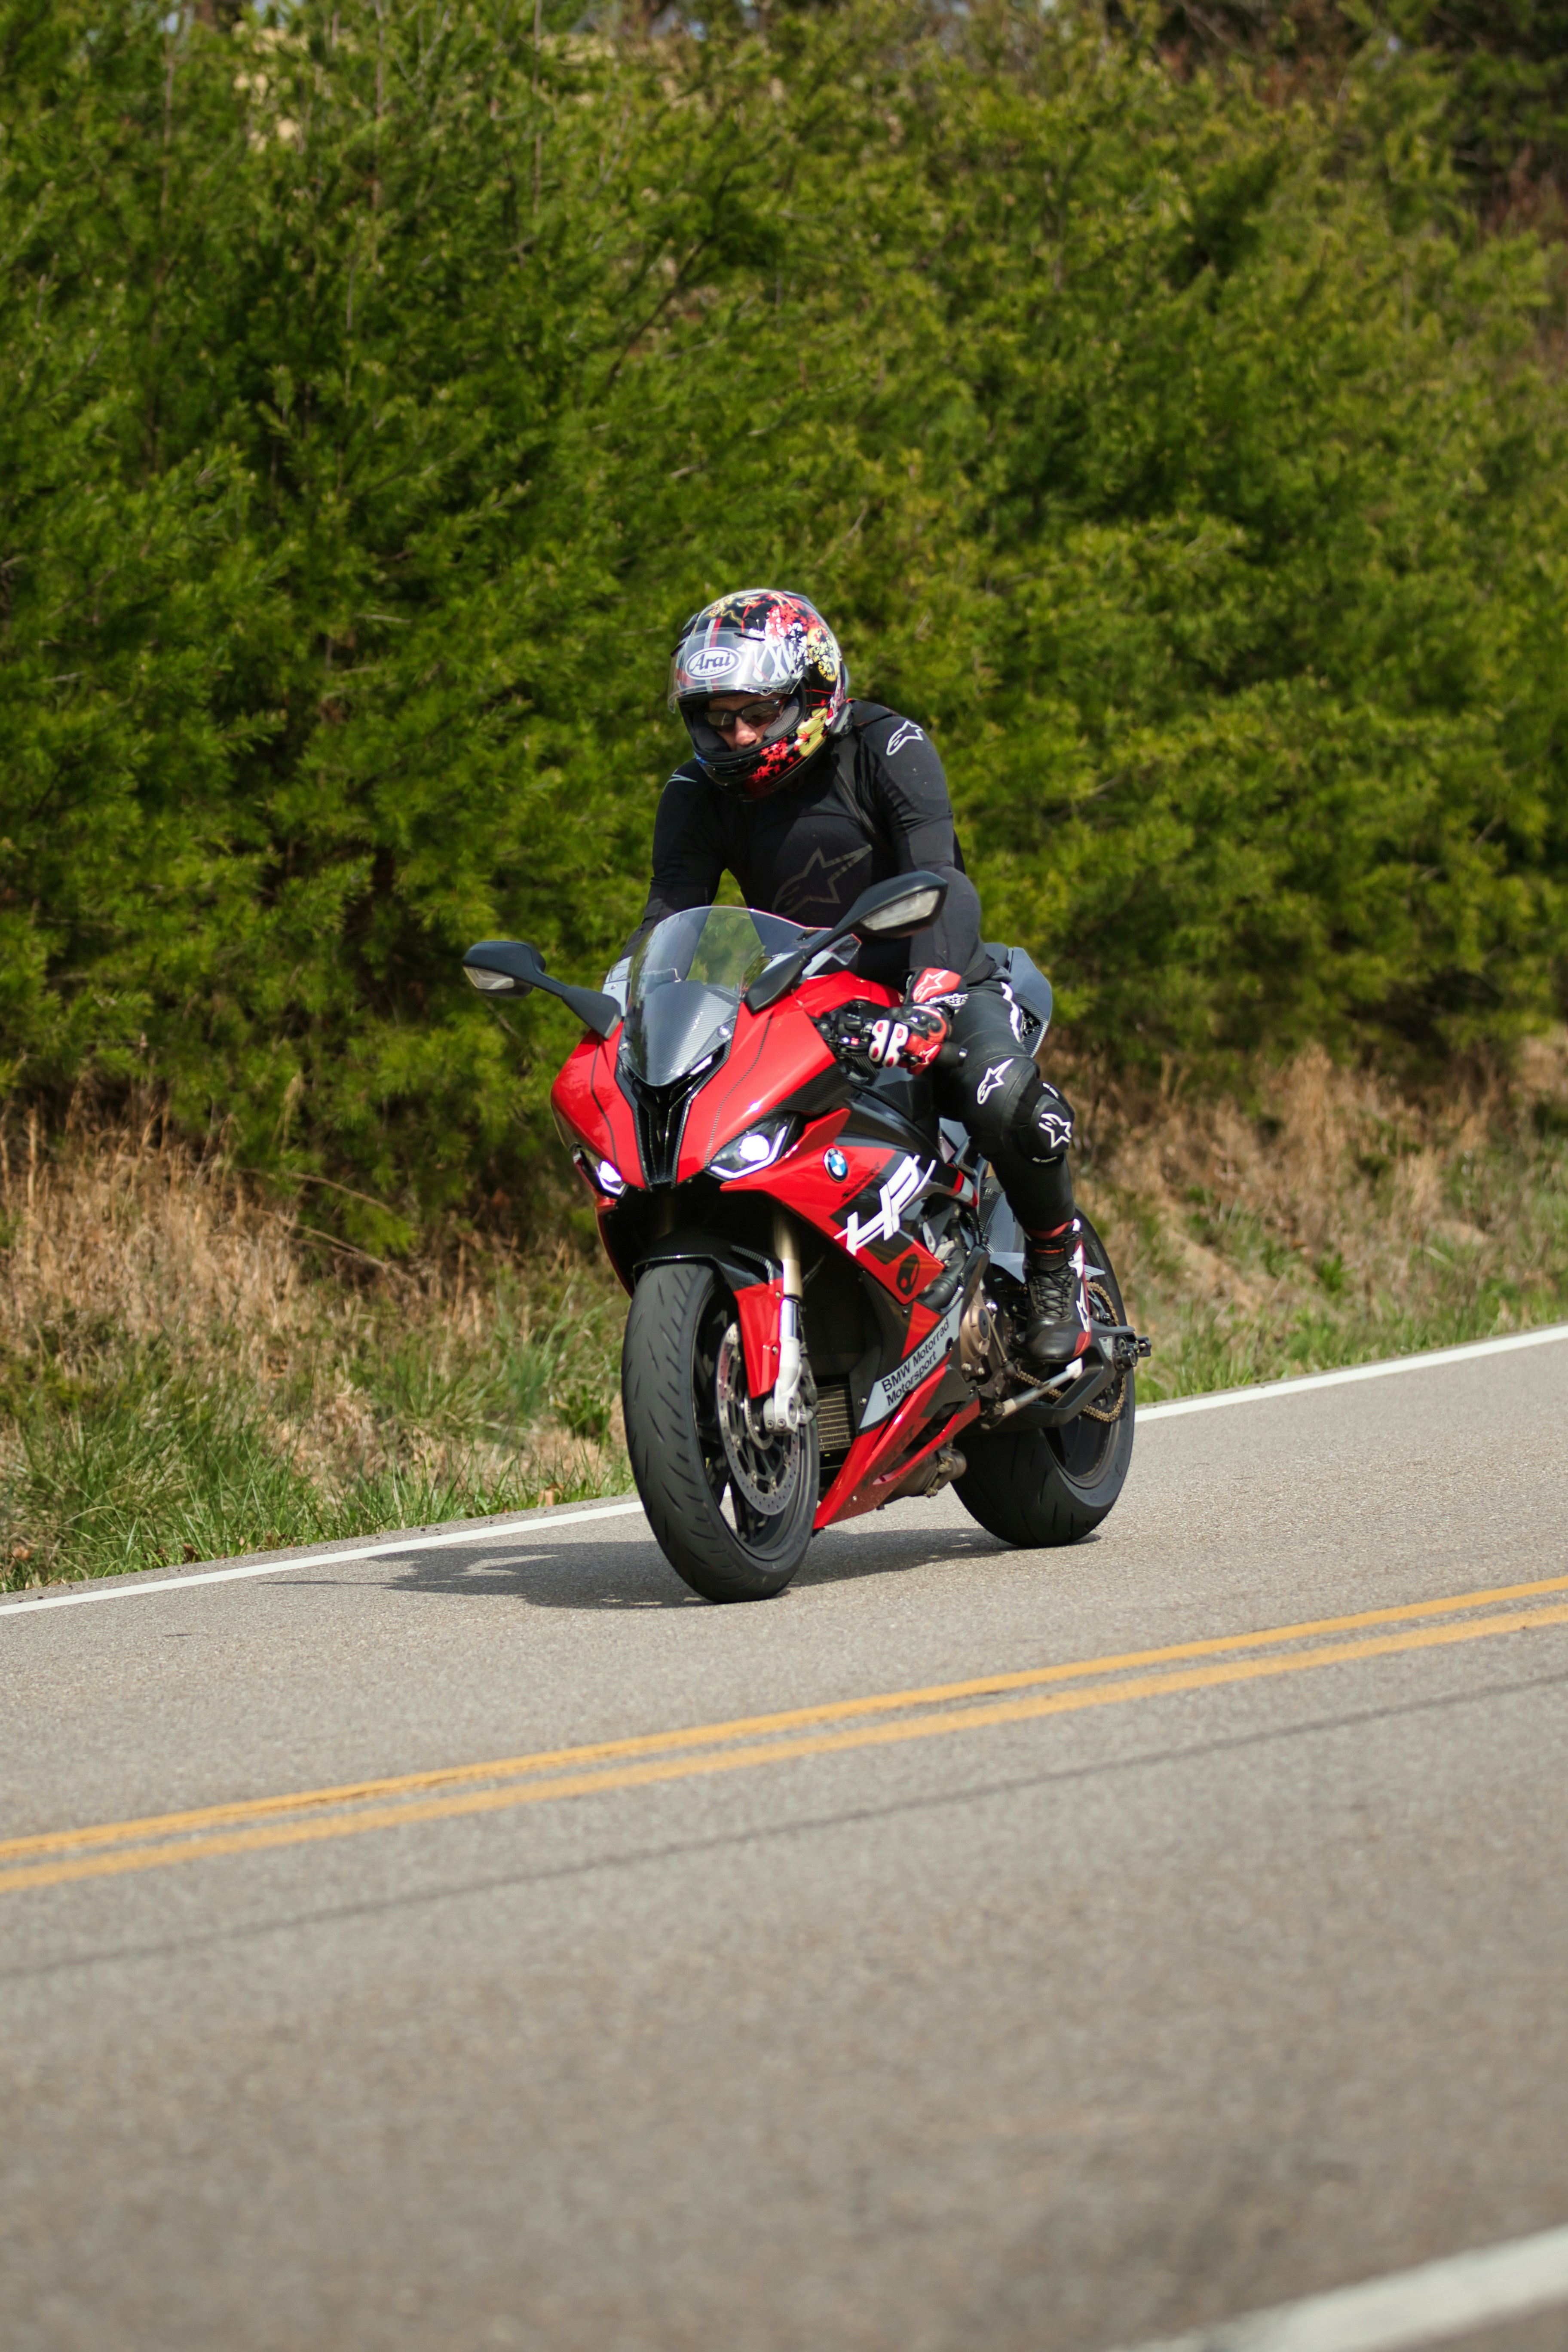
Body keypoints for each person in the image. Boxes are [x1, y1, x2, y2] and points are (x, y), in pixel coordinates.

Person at [633, 587, 1091, 1369]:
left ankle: (1057, 1272)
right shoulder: (693, 795)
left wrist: (930, 1003)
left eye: (759, 713)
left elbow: (942, 879)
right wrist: (636, 1017)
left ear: (814, 693)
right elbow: (669, 918)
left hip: (939, 980)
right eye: (718, 716)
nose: (737, 735)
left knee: (1004, 1099)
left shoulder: (887, 745)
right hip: (808, 1002)